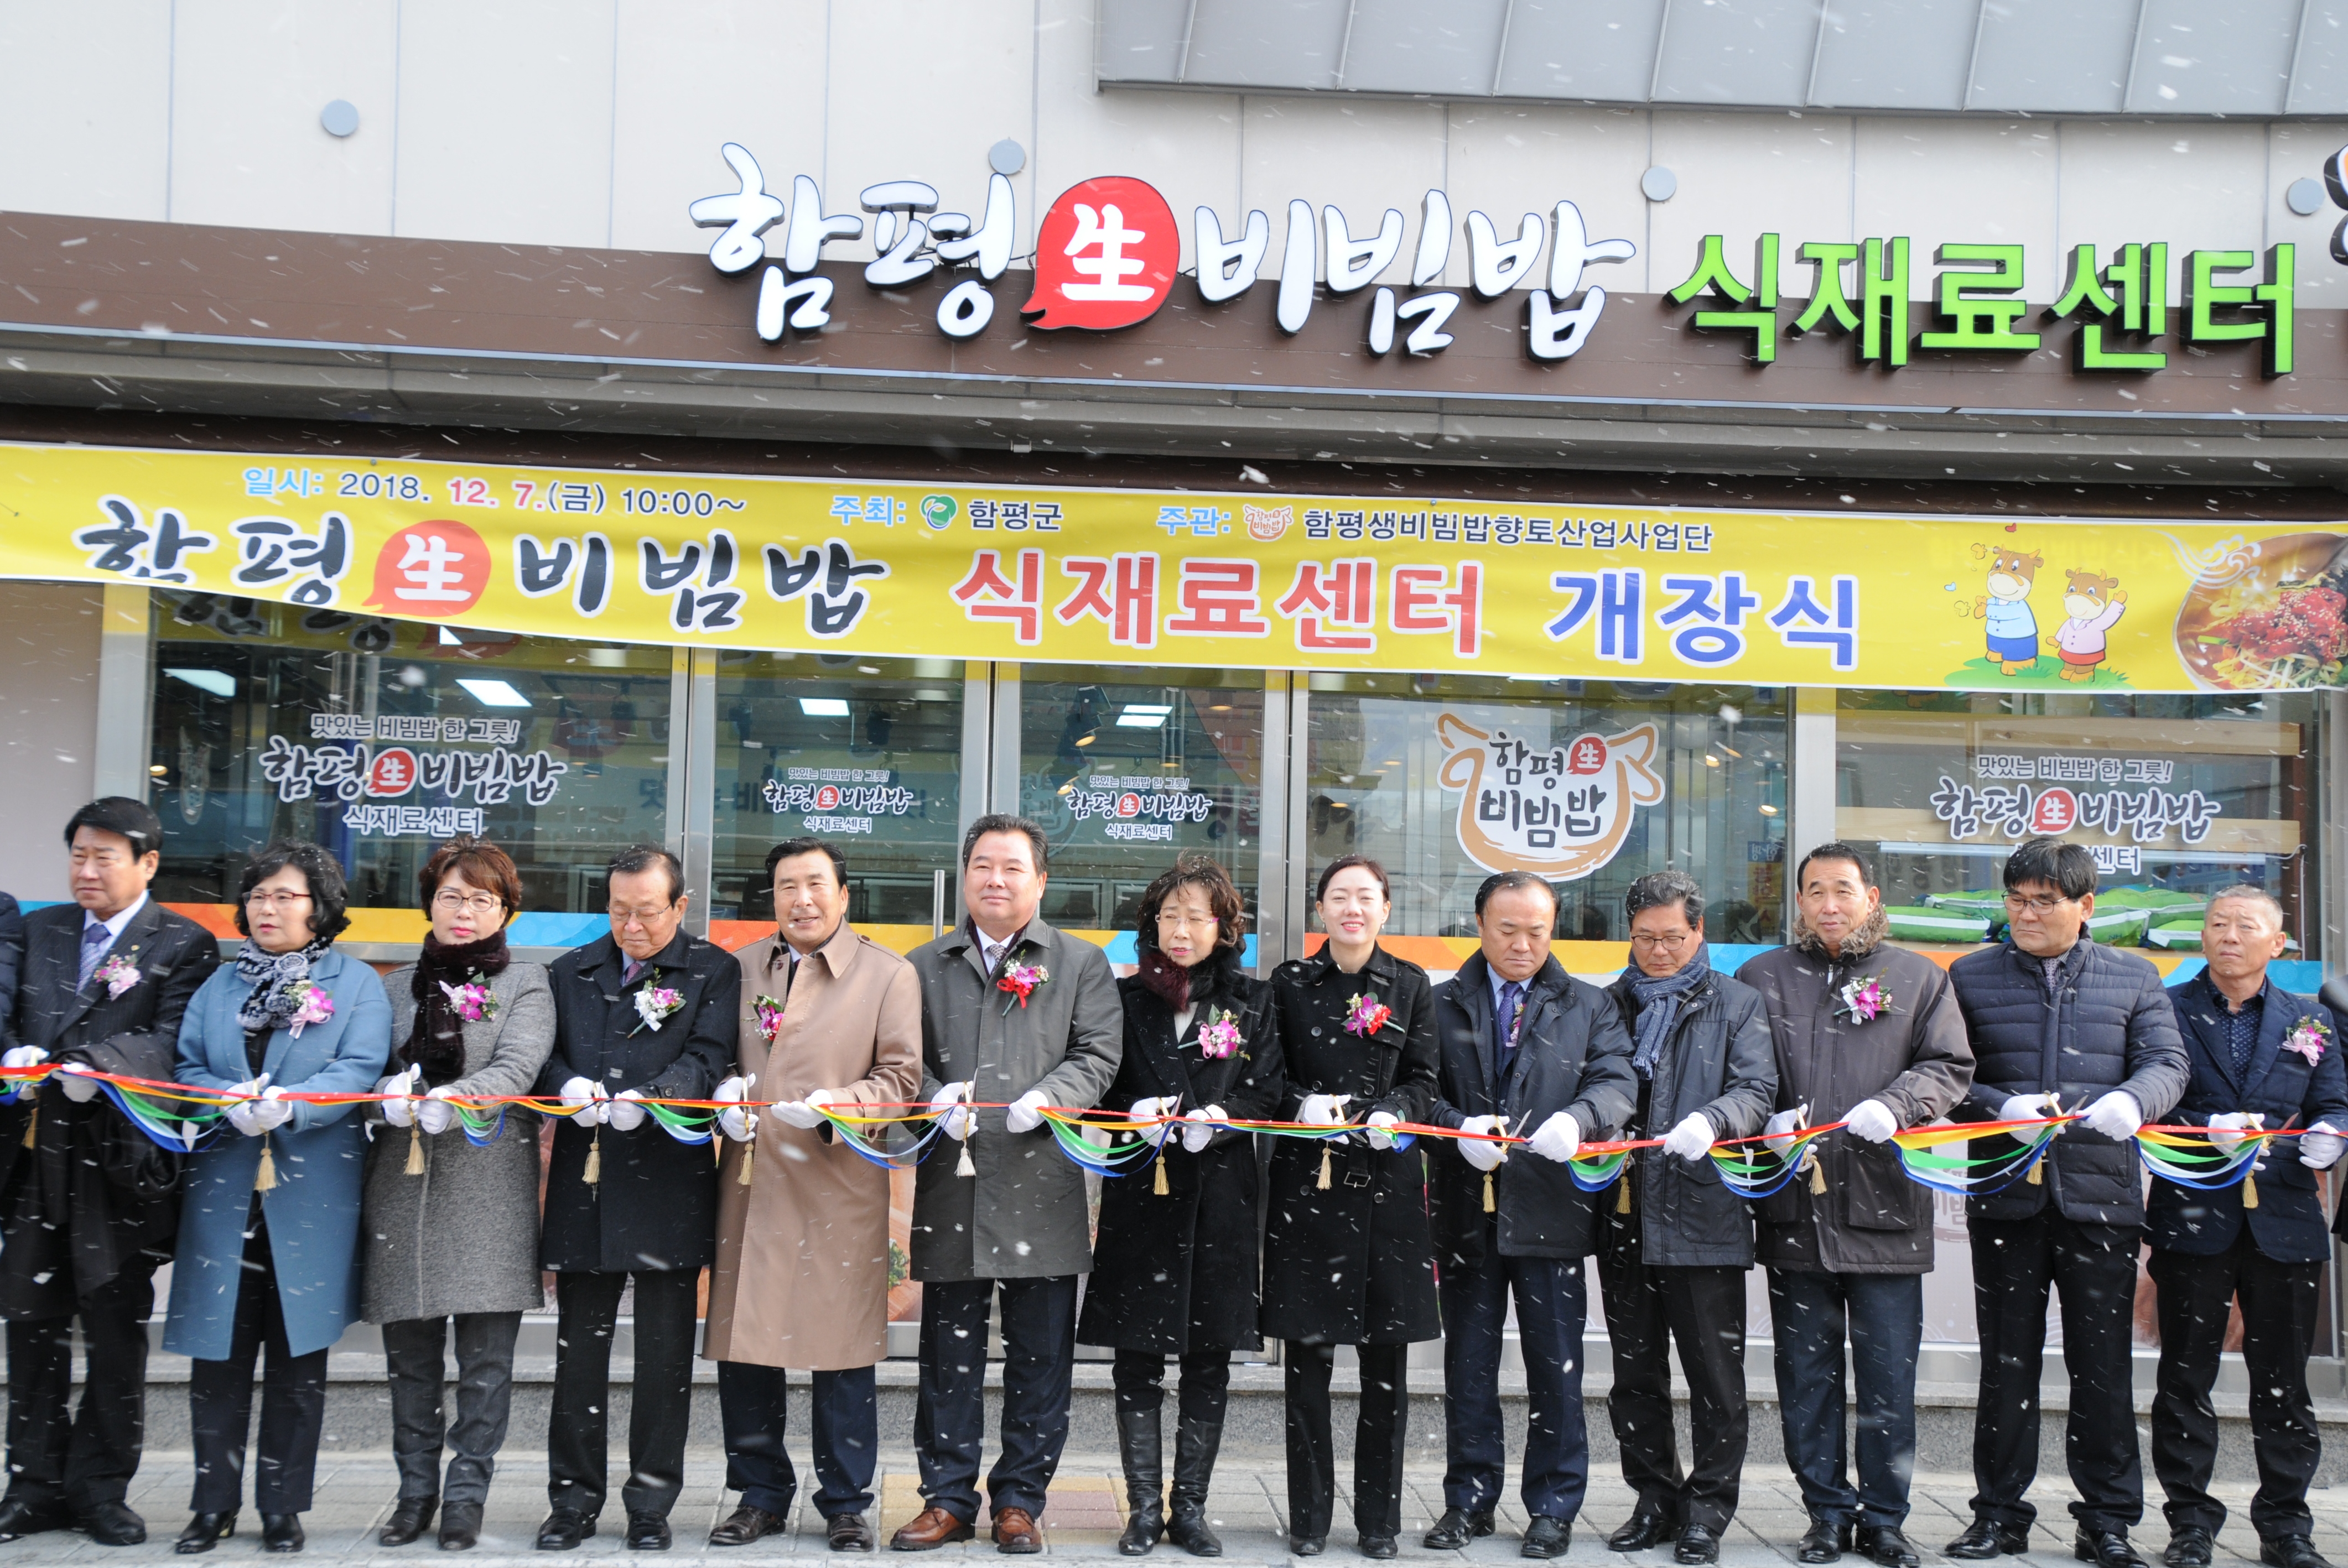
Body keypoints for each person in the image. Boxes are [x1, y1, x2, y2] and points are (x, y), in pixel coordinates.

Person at [1944, 837, 2188, 1568]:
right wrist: (1997, 1104)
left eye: (2044, 900)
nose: (2026, 912)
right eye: (2016, 898)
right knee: (2007, 1365)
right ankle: (1998, 1514)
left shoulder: (2134, 974)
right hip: (2008, 1199)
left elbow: (2167, 1063)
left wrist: (2131, 1098)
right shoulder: (1971, 974)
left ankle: (2107, 1520)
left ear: (2085, 907)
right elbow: (1947, 1072)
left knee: (2103, 1366)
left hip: (2100, 1200)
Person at [1736, 845, 1973, 1568]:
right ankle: (1825, 1512)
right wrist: (1767, 1118)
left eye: (1844, 889)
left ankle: (1886, 1518)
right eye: (1815, 890)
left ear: (1871, 896)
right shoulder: (1761, 977)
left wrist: (1896, 1104)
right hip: (1795, 1207)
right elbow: (1741, 1069)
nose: (1830, 903)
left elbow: (1950, 1066)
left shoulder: (1918, 977)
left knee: (1886, 1374)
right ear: (1799, 901)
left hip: (1884, 1208)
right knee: (1806, 1375)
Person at [892, 815, 1121, 1555]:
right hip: (952, 1185)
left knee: (1039, 1358)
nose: (997, 878)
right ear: (965, 876)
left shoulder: (1081, 962)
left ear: (1041, 880)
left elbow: (1099, 1050)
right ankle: (947, 1495)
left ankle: (1020, 1499)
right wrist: (930, 1090)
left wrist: (1055, 1093)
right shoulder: (923, 964)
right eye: (984, 864)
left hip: (1043, 1184)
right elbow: (899, 1054)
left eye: (1013, 866)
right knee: (948, 1355)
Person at [165, 840, 393, 1555]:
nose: (269, 907)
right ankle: (212, 1504)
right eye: (260, 895)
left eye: (286, 895)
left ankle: (284, 1505)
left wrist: (294, 1105)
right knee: (219, 1359)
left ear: (320, 906)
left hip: (311, 1192)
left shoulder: (355, 982)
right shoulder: (220, 985)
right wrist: (219, 1097)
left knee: (299, 1363)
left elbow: (361, 1065)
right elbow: (187, 1062)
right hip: (225, 1189)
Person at [0, 799, 216, 1546]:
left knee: (115, 1332)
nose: (87, 871)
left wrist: (103, 1067)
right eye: (79, 855)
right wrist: (15, 1056)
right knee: (30, 1326)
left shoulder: (183, 942)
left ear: (148, 863)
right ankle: (31, 1482)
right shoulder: (38, 930)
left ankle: (100, 1487)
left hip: (119, 1166)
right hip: (36, 1158)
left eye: (105, 857)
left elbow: (174, 1041)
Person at [702, 838, 920, 1553]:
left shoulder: (887, 974)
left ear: (844, 894)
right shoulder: (741, 968)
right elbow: (718, 1055)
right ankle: (759, 1491)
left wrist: (838, 1103)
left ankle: (847, 1500)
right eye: (787, 885)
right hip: (753, 1181)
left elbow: (900, 1078)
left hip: (838, 1182)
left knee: (841, 1349)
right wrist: (725, 1094)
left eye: (815, 884)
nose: (802, 898)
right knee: (749, 1346)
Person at [1423, 871, 1636, 1560]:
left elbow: (1616, 1082)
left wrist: (1580, 1119)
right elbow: (1418, 1089)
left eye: (1536, 931)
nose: (1521, 944)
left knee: (1556, 1366)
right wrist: (1458, 1127)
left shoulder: (1587, 1004)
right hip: (1465, 1208)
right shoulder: (1442, 1003)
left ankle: (1552, 1506)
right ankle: (1468, 1500)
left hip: (1552, 1210)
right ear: (1479, 925)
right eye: (1507, 930)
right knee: (1469, 1364)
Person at [1079, 855, 1285, 1559]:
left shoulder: (1251, 1002)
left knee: (1208, 1361)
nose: (1181, 929)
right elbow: (1098, 1087)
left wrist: (1225, 1113)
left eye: (1197, 916)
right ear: (1150, 923)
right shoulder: (1122, 996)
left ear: (1224, 928)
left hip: (1222, 1200)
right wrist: (1126, 1111)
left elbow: (1270, 1092)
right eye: (1169, 915)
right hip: (1142, 1193)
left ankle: (1190, 1509)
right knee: (1135, 1359)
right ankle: (1141, 1510)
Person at [534, 844, 739, 1553]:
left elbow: (711, 1056)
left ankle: (650, 1504)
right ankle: (573, 1501)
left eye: (647, 911)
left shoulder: (712, 970)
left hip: (667, 1186)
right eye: (619, 910)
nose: (632, 925)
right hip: (584, 1184)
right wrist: (566, 1086)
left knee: (662, 1361)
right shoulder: (569, 971)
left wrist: (654, 1098)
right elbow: (544, 1057)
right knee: (579, 1360)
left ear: (679, 906)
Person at [360, 838, 555, 1551]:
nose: (464, 911)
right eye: (451, 895)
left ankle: (467, 1495)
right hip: (402, 1186)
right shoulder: (390, 986)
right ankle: (415, 1494)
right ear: (430, 903)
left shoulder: (527, 983)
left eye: (481, 899)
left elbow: (519, 1065)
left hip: (487, 1186)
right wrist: (384, 1095)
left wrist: (455, 1096)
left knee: (484, 1364)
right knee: (410, 1361)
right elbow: (362, 1069)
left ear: (505, 910)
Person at [2148, 888, 2346, 1568]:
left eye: (2245, 926)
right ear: (2200, 938)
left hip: (2285, 1218)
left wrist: (2333, 1134)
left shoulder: (2309, 1018)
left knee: (2283, 1381)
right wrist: (2201, 1130)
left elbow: (2333, 1100)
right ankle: (2190, 1524)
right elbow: (2148, 1098)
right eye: (2216, 924)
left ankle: (2286, 1527)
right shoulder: (2165, 1010)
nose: (2228, 936)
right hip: (2192, 1213)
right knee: (2183, 1378)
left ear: (2277, 943)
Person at [1262, 854, 1441, 1561]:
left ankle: (1379, 1523)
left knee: (1385, 1375)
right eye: (1339, 896)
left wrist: (1396, 1109)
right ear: (1320, 909)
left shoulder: (1410, 984)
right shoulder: (1289, 984)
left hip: (1387, 1195)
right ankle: (1307, 1519)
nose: (1352, 908)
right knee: (1305, 1369)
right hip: (1309, 1192)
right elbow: (1263, 1078)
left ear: (1385, 908)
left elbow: (1427, 1079)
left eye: (1365, 896)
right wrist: (1299, 1106)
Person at [1597, 870, 1775, 1567]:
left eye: (1673, 938)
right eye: (1645, 938)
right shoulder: (1609, 1003)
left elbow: (1757, 1090)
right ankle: (1652, 1500)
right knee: (1634, 1374)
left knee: (1714, 1377)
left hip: (1705, 1213)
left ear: (1698, 932)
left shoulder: (1736, 1004)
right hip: (1623, 1214)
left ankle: (1706, 1511)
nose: (1660, 952)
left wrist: (1714, 1118)